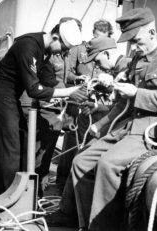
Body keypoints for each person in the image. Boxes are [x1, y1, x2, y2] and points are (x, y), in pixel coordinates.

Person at [46, 7, 157, 231]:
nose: (134, 46)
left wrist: (136, 93)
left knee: (108, 165)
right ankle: (84, 222)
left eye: (136, 40)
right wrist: (101, 124)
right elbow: (123, 104)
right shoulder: (138, 59)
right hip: (127, 126)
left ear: (152, 33)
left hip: (152, 129)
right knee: (80, 162)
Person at [0, 20, 87, 196]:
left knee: (25, 142)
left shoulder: (43, 51)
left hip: (11, 96)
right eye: (64, 48)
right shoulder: (28, 46)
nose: (65, 53)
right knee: (10, 146)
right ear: (55, 37)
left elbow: (47, 78)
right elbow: (34, 89)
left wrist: (76, 87)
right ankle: (6, 195)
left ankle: (19, 189)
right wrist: (68, 92)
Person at [56, 19, 115, 189]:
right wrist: (78, 79)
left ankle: (81, 184)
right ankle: (62, 183)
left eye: (101, 38)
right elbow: (67, 75)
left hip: (99, 106)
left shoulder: (110, 53)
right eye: (95, 37)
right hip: (77, 102)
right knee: (71, 142)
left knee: (91, 144)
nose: (97, 41)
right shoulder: (79, 49)